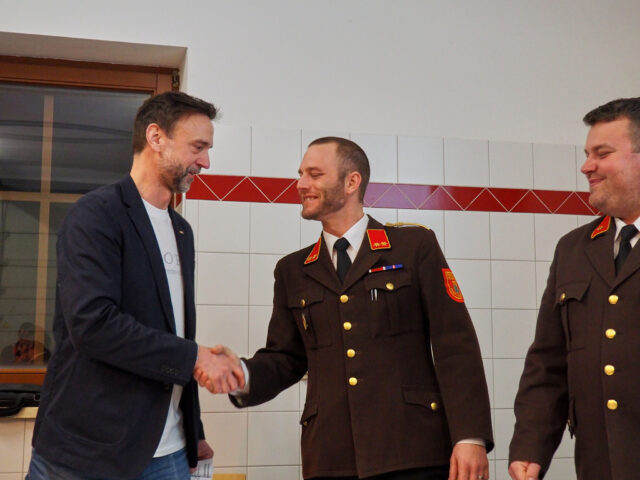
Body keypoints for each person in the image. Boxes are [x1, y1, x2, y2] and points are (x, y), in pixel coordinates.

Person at [225, 137, 493, 480]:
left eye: (314, 174)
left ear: (352, 182)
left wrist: (470, 436)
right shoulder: (293, 270)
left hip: (413, 451)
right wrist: (240, 375)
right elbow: (286, 358)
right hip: (330, 456)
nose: (301, 184)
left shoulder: (413, 247)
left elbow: (454, 344)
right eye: (300, 174)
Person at [26, 91, 244, 480]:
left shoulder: (181, 230)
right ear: (156, 137)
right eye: (198, 147)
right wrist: (195, 357)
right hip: (88, 453)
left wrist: (193, 429)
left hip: (170, 452)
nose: (205, 162)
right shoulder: (97, 215)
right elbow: (93, 324)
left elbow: (173, 332)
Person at [508, 97, 640, 480]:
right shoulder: (574, 249)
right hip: (601, 466)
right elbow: (548, 362)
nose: (586, 166)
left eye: (602, 153)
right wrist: (531, 446)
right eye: (587, 154)